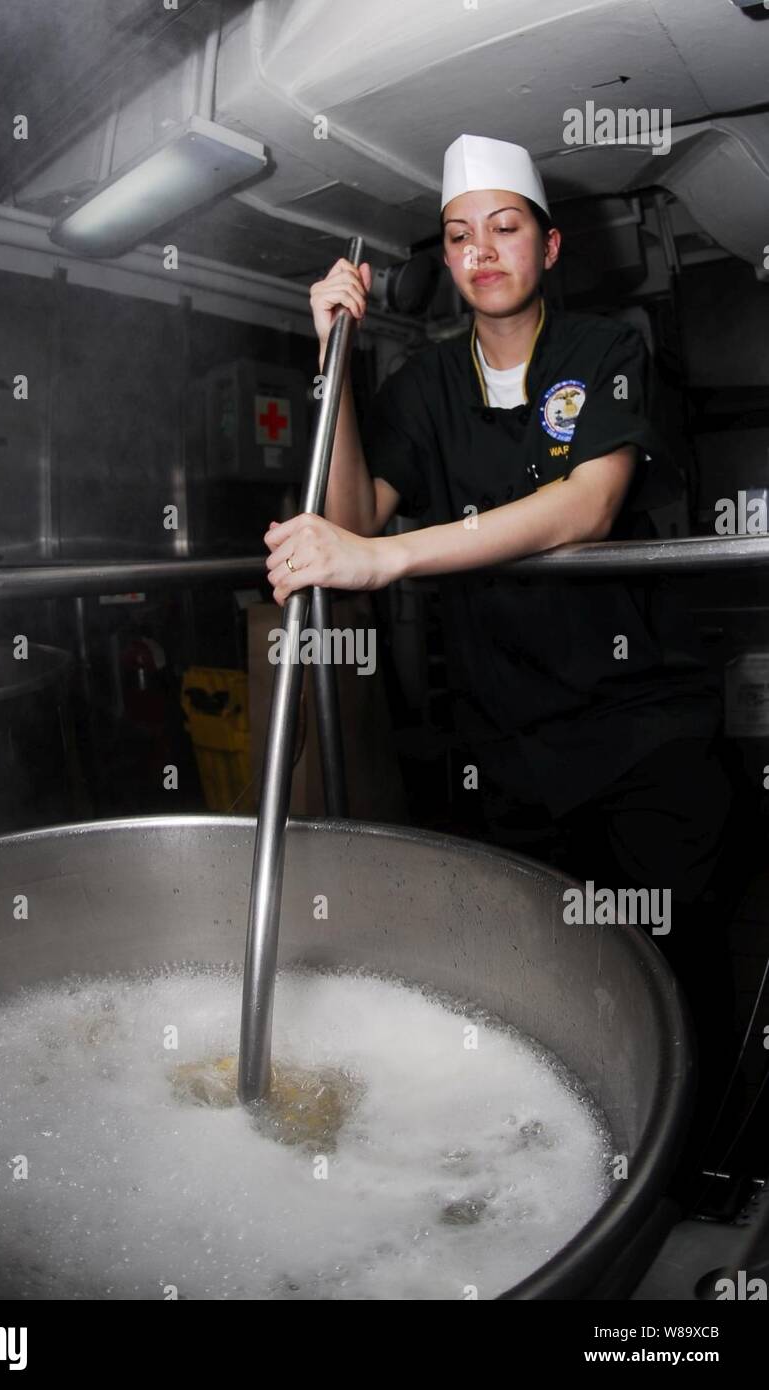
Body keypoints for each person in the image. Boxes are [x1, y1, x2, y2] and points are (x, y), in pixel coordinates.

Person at [262, 134, 756, 1201]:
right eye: (457, 235)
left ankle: (697, 1175)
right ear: (442, 261)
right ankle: (573, 1179)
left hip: (641, 734)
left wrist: (388, 555)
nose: (480, 251)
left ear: (547, 244)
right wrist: (335, 365)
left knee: (670, 971)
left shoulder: (603, 346)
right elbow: (346, 518)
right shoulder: (421, 383)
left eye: (504, 227)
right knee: (542, 972)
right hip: (506, 740)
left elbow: (584, 504)